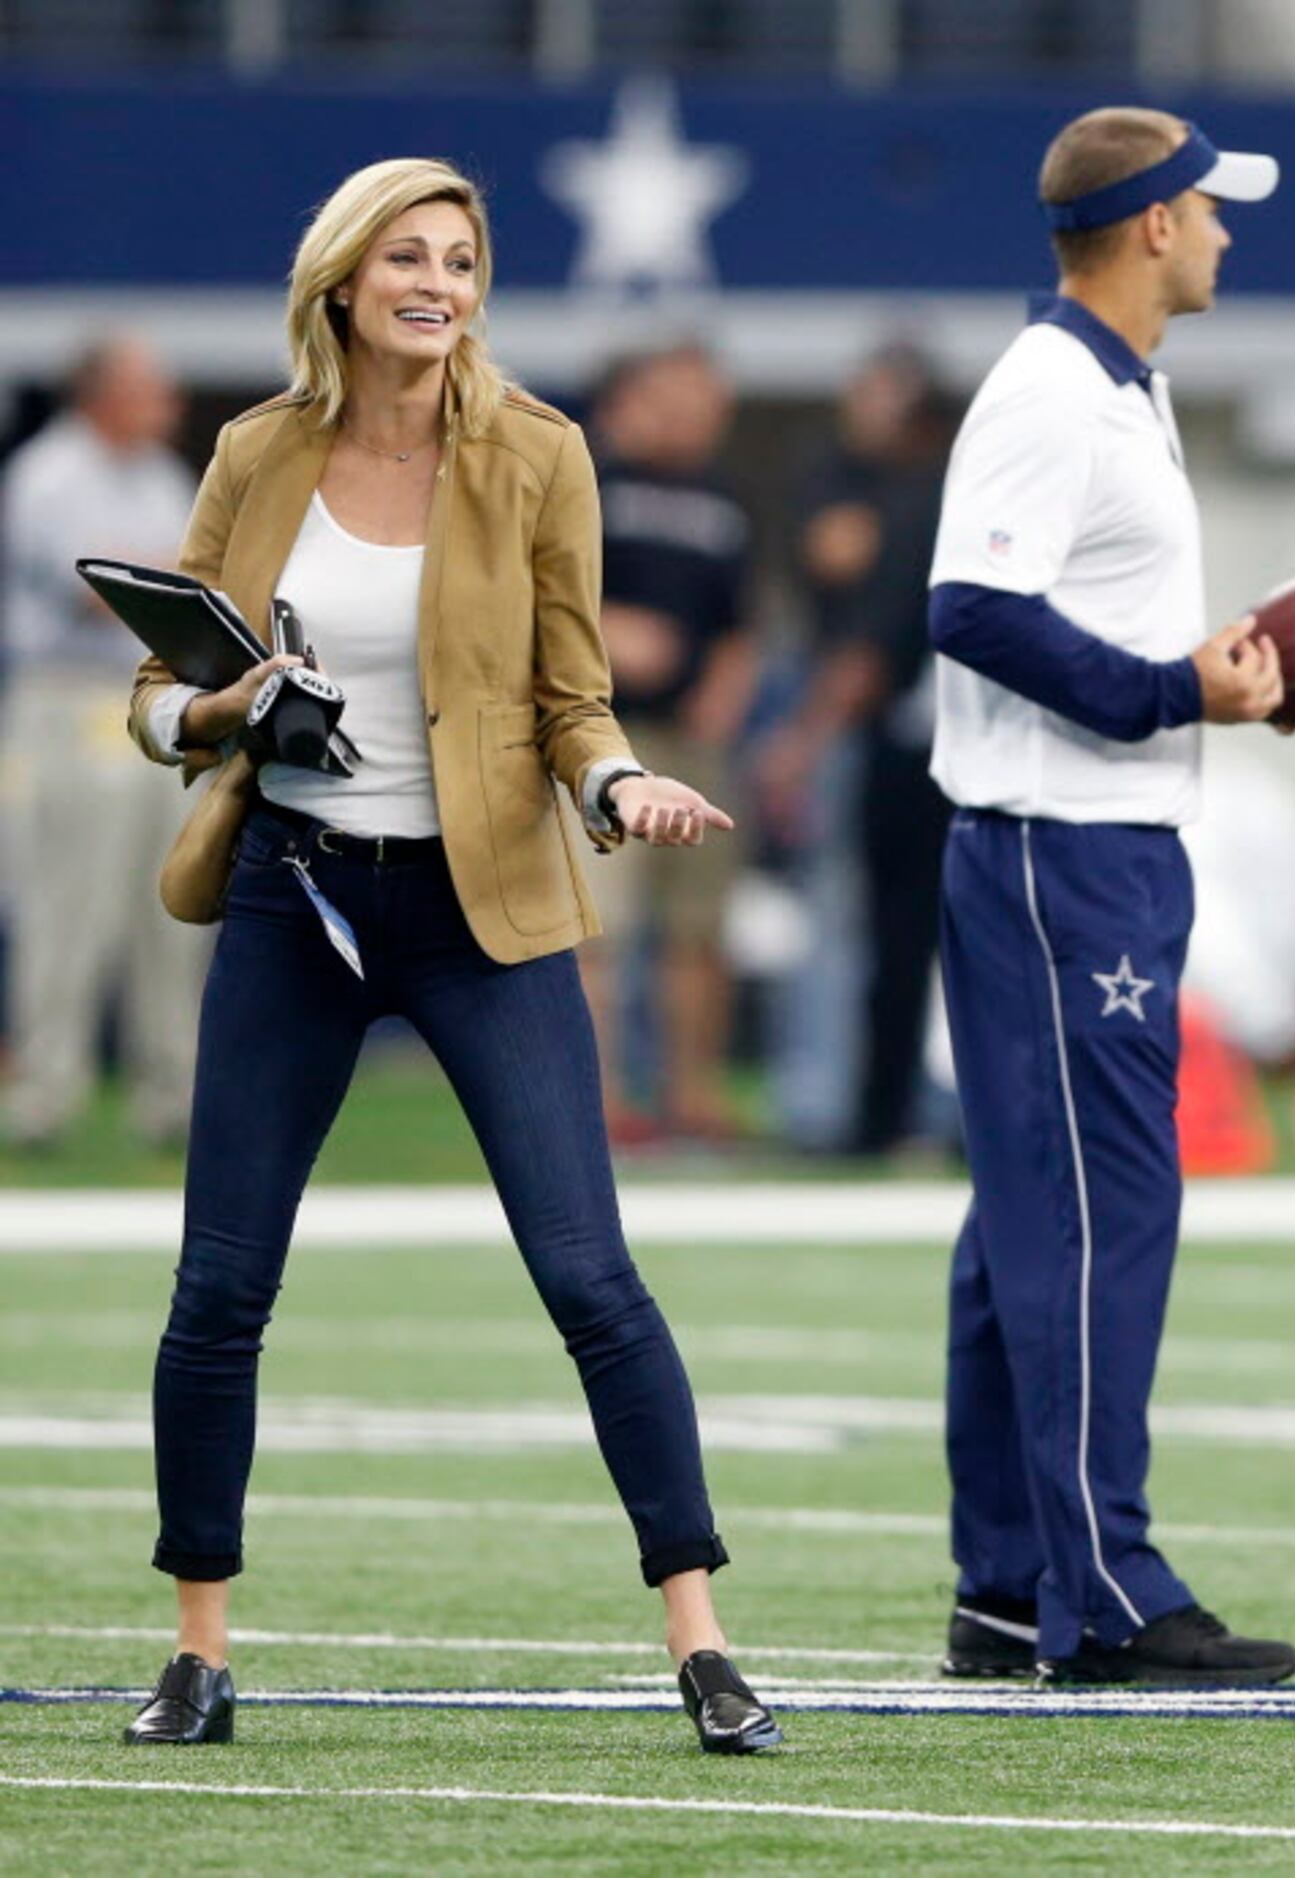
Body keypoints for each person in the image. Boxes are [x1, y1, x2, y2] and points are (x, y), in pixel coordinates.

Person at [118, 159, 779, 1755]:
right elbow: (156, 696)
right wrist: (225, 708)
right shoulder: (255, 450)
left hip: (482, 908)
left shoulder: (543, 452)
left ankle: (701, 1638)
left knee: (589, 1277)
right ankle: (199, 1651)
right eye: (406, 256)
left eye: (462, 259)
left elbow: (571, 695)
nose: (437, 281)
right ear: (341, 280)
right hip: (293, 896)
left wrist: (618, 784)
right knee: (222, 1285)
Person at [924, 106, 1295, 1687]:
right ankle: (1105, 1586)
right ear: (1152, 223)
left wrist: (1184, 691)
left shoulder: (1111, 388)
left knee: (1030, 1214)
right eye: (1210, 211)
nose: (1224, 232)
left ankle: (1013, 1580)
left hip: (1088, 843)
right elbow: (969, 605)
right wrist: (1165, 691)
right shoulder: (1053, 388)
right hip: (1056, 847)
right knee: (1096, 1211)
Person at [0, 336, 207, 1150]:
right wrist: (172, 577)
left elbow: (197, 580)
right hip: (73, 700)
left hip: (158, 699)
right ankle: (47, 1092)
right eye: (147, 386)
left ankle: (173, 1095)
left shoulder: (162, 477)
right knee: (69, 902)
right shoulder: (48, 473)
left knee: (174, 903)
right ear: (99, 393)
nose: (167, 402)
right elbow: (102, 593)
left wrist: (164, 577)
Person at [756, 339, 955, 1158]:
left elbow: (870, 649)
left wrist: (800, 740)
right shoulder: (963, 503)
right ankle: (936, 1115)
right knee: (959, 945)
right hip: (983, 748)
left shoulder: (911, 505)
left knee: (868, 934)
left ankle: (859, 1112)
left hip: (908, 748)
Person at [579, 341, 756, 1147]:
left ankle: (693, 1095)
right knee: (596, 929)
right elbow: (529, 598)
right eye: (679, 395)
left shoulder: (723, 502)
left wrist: (726, 691)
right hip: (601, 738)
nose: (696, 413)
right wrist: (605, 633)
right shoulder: (582, 484)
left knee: (698, 929)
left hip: (694, 743)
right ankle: (598, 1097)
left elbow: (738, 625)